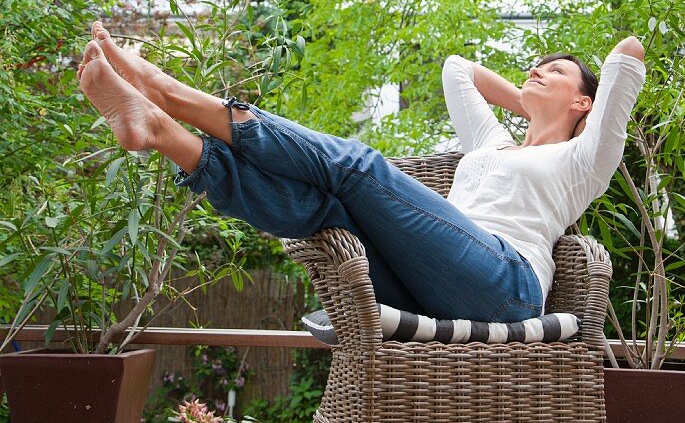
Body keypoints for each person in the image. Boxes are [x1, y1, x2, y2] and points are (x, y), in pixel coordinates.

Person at [77, 22, 645, 323]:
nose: (538, 70)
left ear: (585, 105)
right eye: (536, 66)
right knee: (327, 212)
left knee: (359, 168)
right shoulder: (492, 144)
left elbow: (629, 54)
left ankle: (170, 94)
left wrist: (552, 111)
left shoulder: (583, 160)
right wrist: (530, 103)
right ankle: (165, 134)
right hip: (428, 286)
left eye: (558, 72)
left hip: (505, 286)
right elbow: (457, 69)